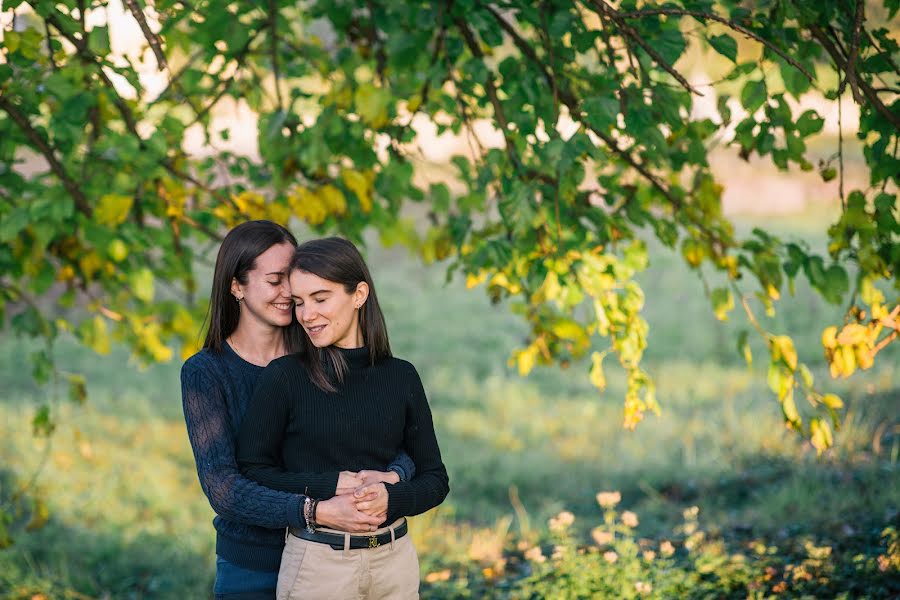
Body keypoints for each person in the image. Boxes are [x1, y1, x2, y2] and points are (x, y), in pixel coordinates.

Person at [181, 221, 415, 600]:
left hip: (334, 560)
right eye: (275, 280)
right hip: (253, 566)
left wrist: (393, 476)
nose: (289, 293)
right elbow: (224, 488)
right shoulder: (206, 373)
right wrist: (316, 510)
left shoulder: (324, 350)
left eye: (291, 278)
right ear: (236, 286)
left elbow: (391, 439)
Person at [236, 236, 450, 600]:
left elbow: (435, 479)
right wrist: (329, 486)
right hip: (319, 566)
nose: (306, 314)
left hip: (394, 563)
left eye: (321, 298)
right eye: (300, 302)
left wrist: (392, 498)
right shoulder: (285, 377)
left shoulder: (400, 376)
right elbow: (252, 470)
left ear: (359, 294)